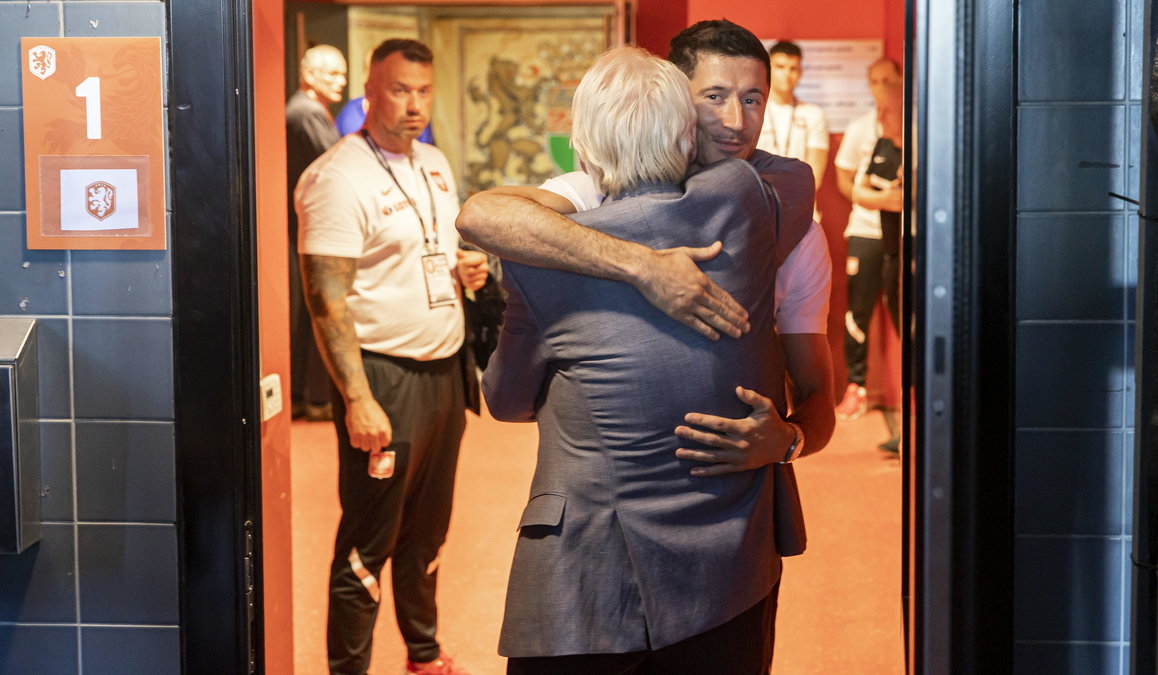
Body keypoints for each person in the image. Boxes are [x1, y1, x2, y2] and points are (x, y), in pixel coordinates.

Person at [483, 45, 814, 672]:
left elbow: (505, 402)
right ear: (687, 132)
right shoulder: (747, 202)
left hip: (588, 588)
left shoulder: (540, 255)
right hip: (728, 572)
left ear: (582, 144)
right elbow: (794, 177)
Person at [456, 19, 836, 478]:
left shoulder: (791, 221)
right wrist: (642, 265)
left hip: (728, 502)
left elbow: (817, 393)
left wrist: (790, 441)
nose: (736, 122)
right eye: (714, 97)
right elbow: (481, 216)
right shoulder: (594, 190)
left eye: (752, 99)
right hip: (608, 485)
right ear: (676, 102)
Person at [295, 38, 487, 675]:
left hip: (444, 374)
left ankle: (423, 652)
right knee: (366, 545)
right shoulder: (336, 176)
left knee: (427, 533)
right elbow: (326, 303)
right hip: (383, 378)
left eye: (424, 91)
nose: (414, 104)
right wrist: (357, 398)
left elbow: (431, 250)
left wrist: (469, 269)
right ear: (370, 92)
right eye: (400, 89)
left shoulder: (432, 162)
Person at [832, 57, 904, 423]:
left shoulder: (915, 124)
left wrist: (898, 201)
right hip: (864, 231)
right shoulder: (861, 127)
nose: (881, 87)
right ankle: (855, 388)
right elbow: (846, 182)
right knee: (857, 311)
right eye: (874, 81)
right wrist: (873, 199)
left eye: (888, 80)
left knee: (905, 312)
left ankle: (914, 390)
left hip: (906, 234)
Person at [288, 44, 347, 422]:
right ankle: (313, 397)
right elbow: (337, 164)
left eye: (343, 74)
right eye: (332, 74)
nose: (341, 82)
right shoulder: (306, 112)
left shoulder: (308, 109)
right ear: (309, 74)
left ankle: (307, 396)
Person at [757, 41, 829, 209]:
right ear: (768, 69)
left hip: (800, 206)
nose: (786, 74)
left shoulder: (813, 114)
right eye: (780, 67)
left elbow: (814, 175)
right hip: (758, 204)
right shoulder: (753, 110)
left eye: (793, 68)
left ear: (801, 72)